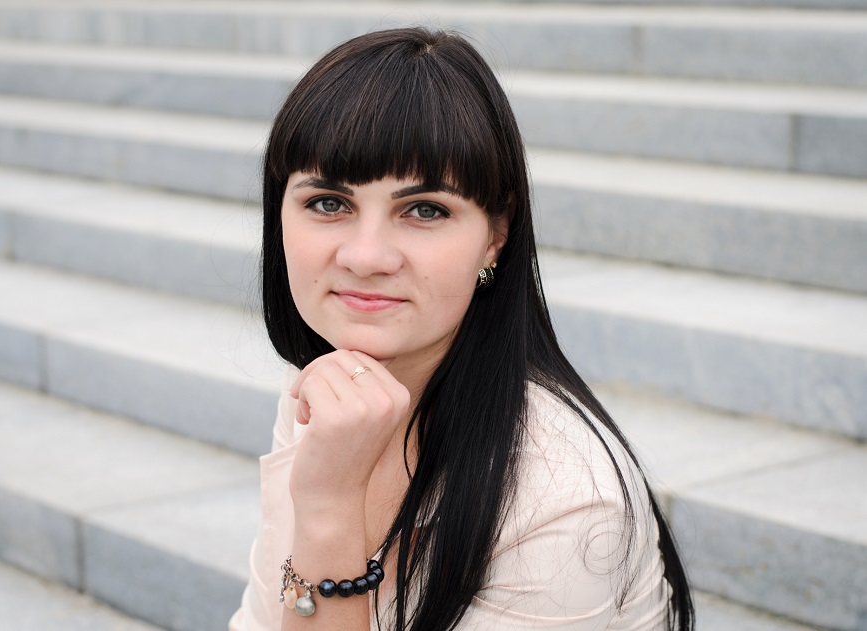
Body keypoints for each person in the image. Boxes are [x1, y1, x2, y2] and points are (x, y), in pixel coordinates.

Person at [229, 27, 695, 631]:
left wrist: (328, 506)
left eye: (424, 210)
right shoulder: (332, 392)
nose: (366, 255)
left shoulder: (565, 496)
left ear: (495, 236)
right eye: (328, 202)